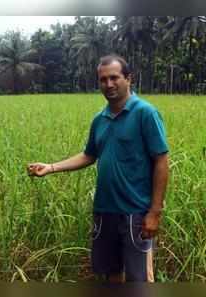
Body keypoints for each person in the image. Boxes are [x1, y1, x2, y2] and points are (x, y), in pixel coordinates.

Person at [27, 54, 169, 283]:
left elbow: (162, 161)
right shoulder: (99, 119)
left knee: (139, 279)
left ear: (128, 79)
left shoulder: (145, 113)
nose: (109, 84)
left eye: (114, 78)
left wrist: (154, 212)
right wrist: (51, 167)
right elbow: (88, 155)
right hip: (105, 211)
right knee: (111, 274)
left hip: (136, 213)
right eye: (103, 80)